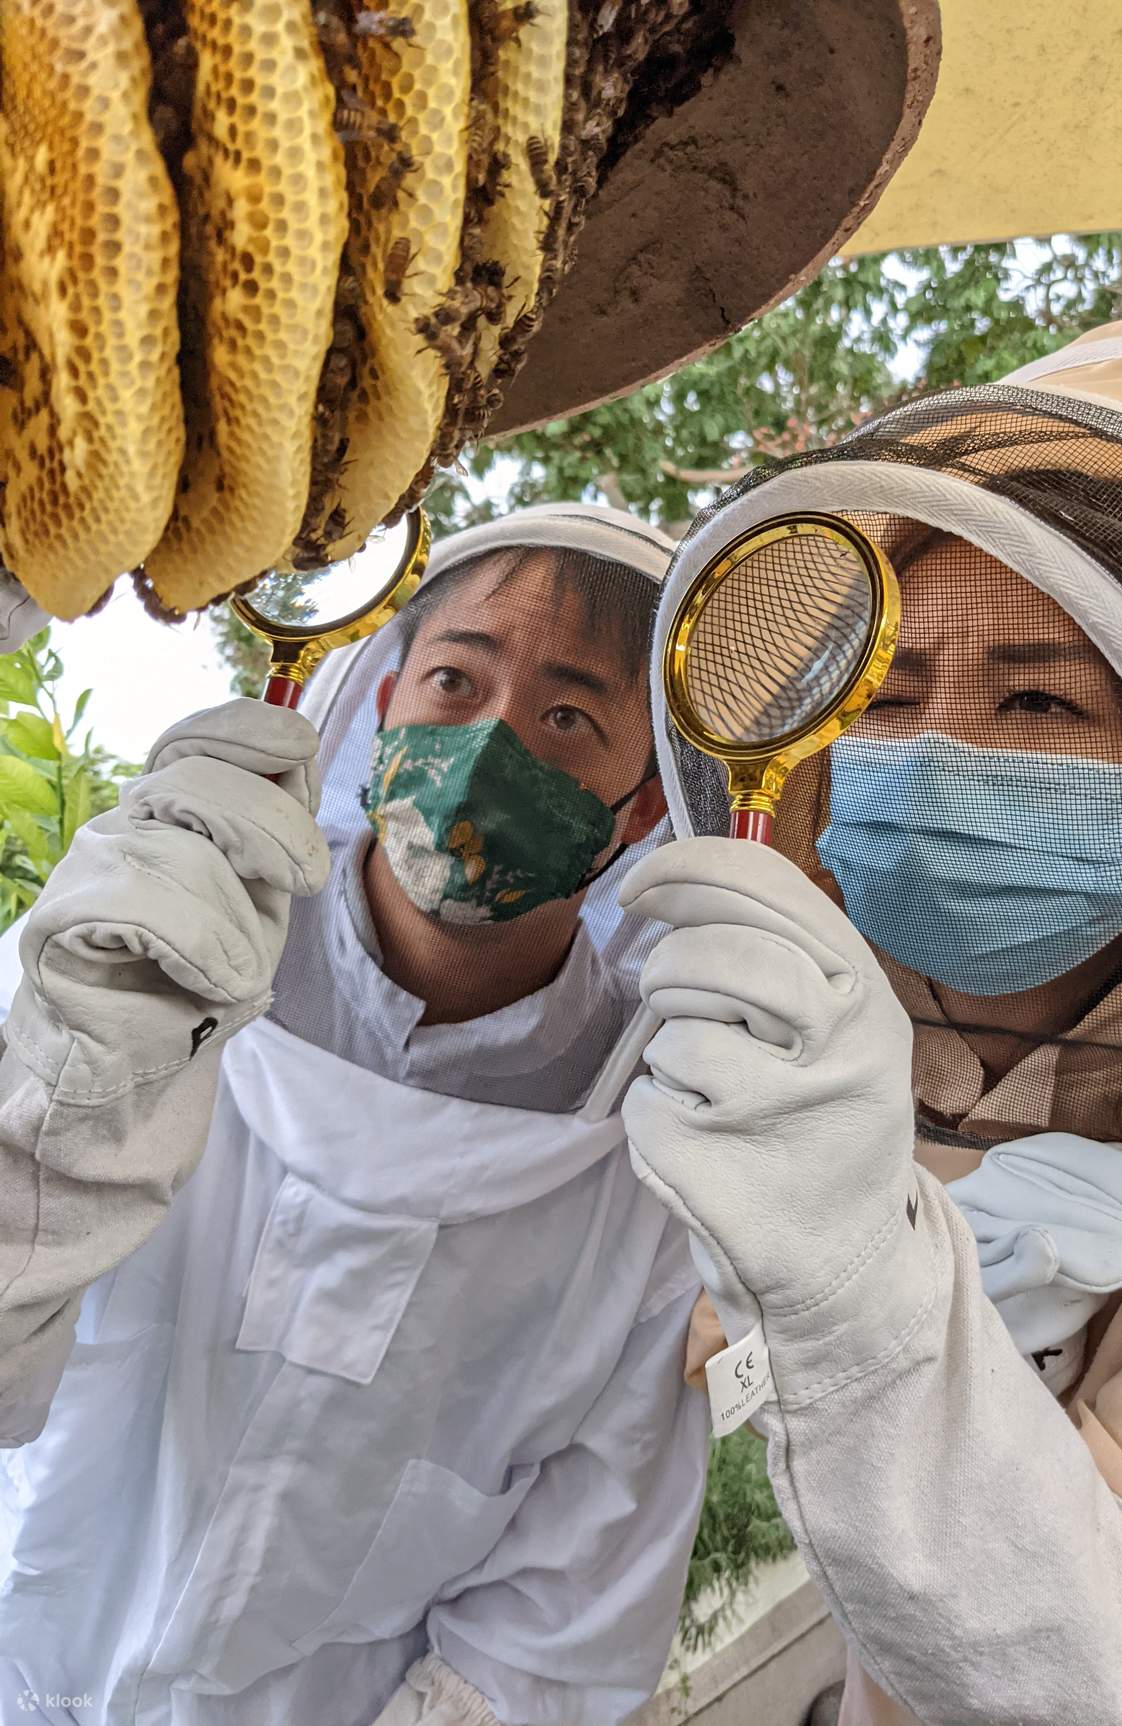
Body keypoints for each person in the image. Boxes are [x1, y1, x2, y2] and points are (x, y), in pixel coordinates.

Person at [620, 313, 1122, 1724]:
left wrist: (859, 1289)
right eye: (894, 691)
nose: (940, 751)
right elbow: (725, 1357)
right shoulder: (809, 1030)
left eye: (1038, 695)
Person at [0, 505, 709, 1726]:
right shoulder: (146, 956)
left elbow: (552, 1627)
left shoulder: (642, 1176)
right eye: (454, 679)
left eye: (567, 717)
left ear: (640, 810)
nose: (490, 746)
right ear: (383, 704)